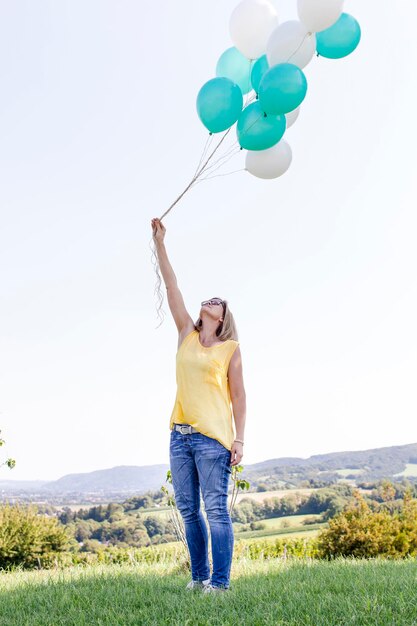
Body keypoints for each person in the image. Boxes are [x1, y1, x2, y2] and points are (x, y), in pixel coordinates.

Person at [151, 217, 246, 594]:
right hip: (180, 434)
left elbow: (239, 396)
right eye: (208, 299)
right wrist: (160, 242)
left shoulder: (230, 350)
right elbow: (171, 284)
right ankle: (198, 578)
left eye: (218, 302)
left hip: (214, 439)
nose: (211, 299)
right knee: (190, 511)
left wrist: (240, 440)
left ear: (222, 316)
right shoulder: (186, 334)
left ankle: (219, 584)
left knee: (216, 510)